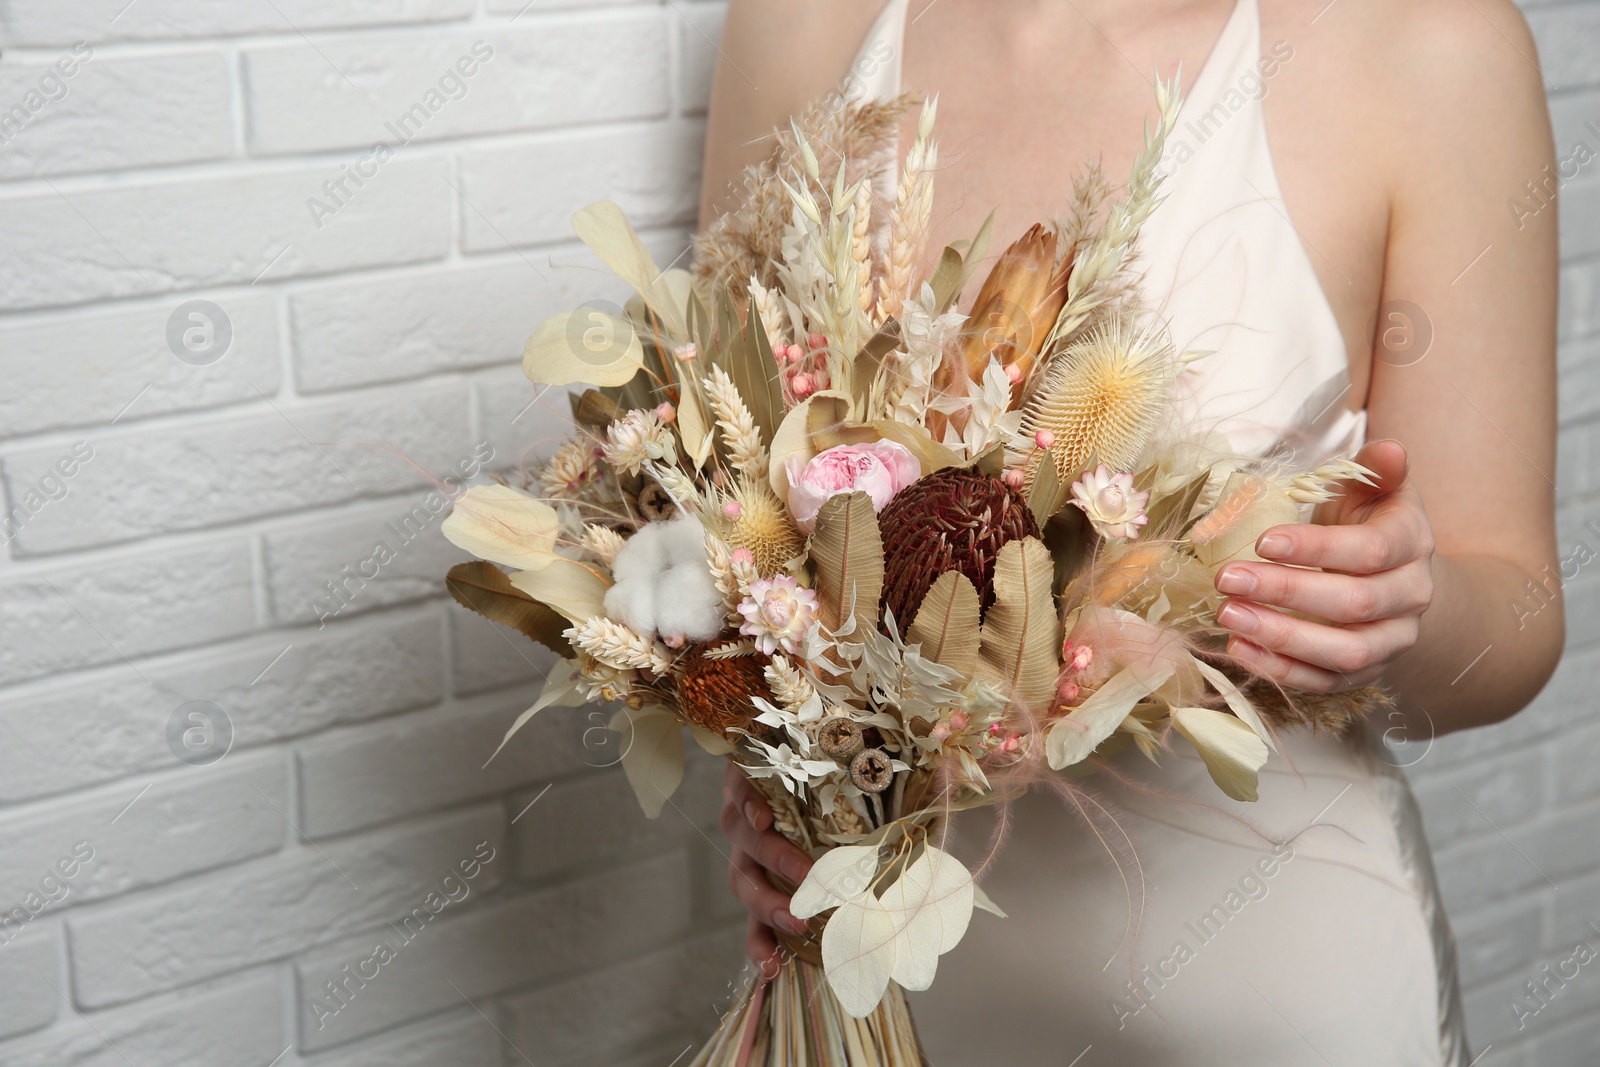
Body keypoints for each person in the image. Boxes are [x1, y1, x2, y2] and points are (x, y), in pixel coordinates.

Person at [698, 0, 1562, 1061]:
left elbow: (1514, 622)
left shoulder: (1430, 45)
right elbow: (724, 514)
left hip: (1265, 997)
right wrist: (771, 779)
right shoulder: (800, 23)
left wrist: (1387, 613)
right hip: (868, 974)